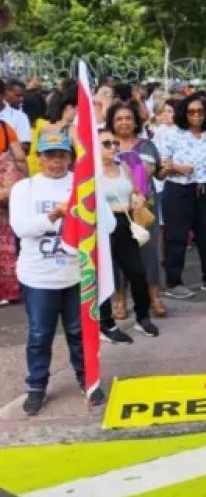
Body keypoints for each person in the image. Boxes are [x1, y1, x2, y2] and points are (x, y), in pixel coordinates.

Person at [13, 130, 106, 415]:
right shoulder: (25, 188)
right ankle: (37, 386)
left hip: (77, 275)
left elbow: (107, 225)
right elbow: (21, 228)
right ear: (39, 158)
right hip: (38, 276)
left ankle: (86, 379)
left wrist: (84, 216)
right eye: (50, 155)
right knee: (40, 334)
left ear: (70, 157)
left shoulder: (83, 185)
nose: (56, 162)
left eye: (62, 155)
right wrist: (53, 216)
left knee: (79, 331)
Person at [156, 94, 206, 298]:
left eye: (200, 111)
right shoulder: (172, 134)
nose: (196, 115)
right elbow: (160, 169)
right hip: (179, 189)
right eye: (191, 111)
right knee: (177, 237)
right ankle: (174, 282)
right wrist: (177, 168)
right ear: (184, 113)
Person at [96, 127, 160, 342]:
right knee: (104, 276)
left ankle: (143, 316)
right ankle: (106, 323)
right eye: (106, 144)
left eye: (114, 143)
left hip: (125, 223)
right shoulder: (90, 172)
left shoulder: (122, 165)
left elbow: (136, 190)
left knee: (137, 272)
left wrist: (138, 198)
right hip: (102, 225)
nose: (113, 147)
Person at [108, 103, 167, 320]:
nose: (124, 122)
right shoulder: (106, 146)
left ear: (135, 121)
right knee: (118, 256)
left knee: (149, 254)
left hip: (145, 207)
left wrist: (164, 170)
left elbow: (158, 173)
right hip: (116, 209)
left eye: (128, 118)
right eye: (119, 119)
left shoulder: (147, 146)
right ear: (111, 123)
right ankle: (120, 300)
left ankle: (154, 297)